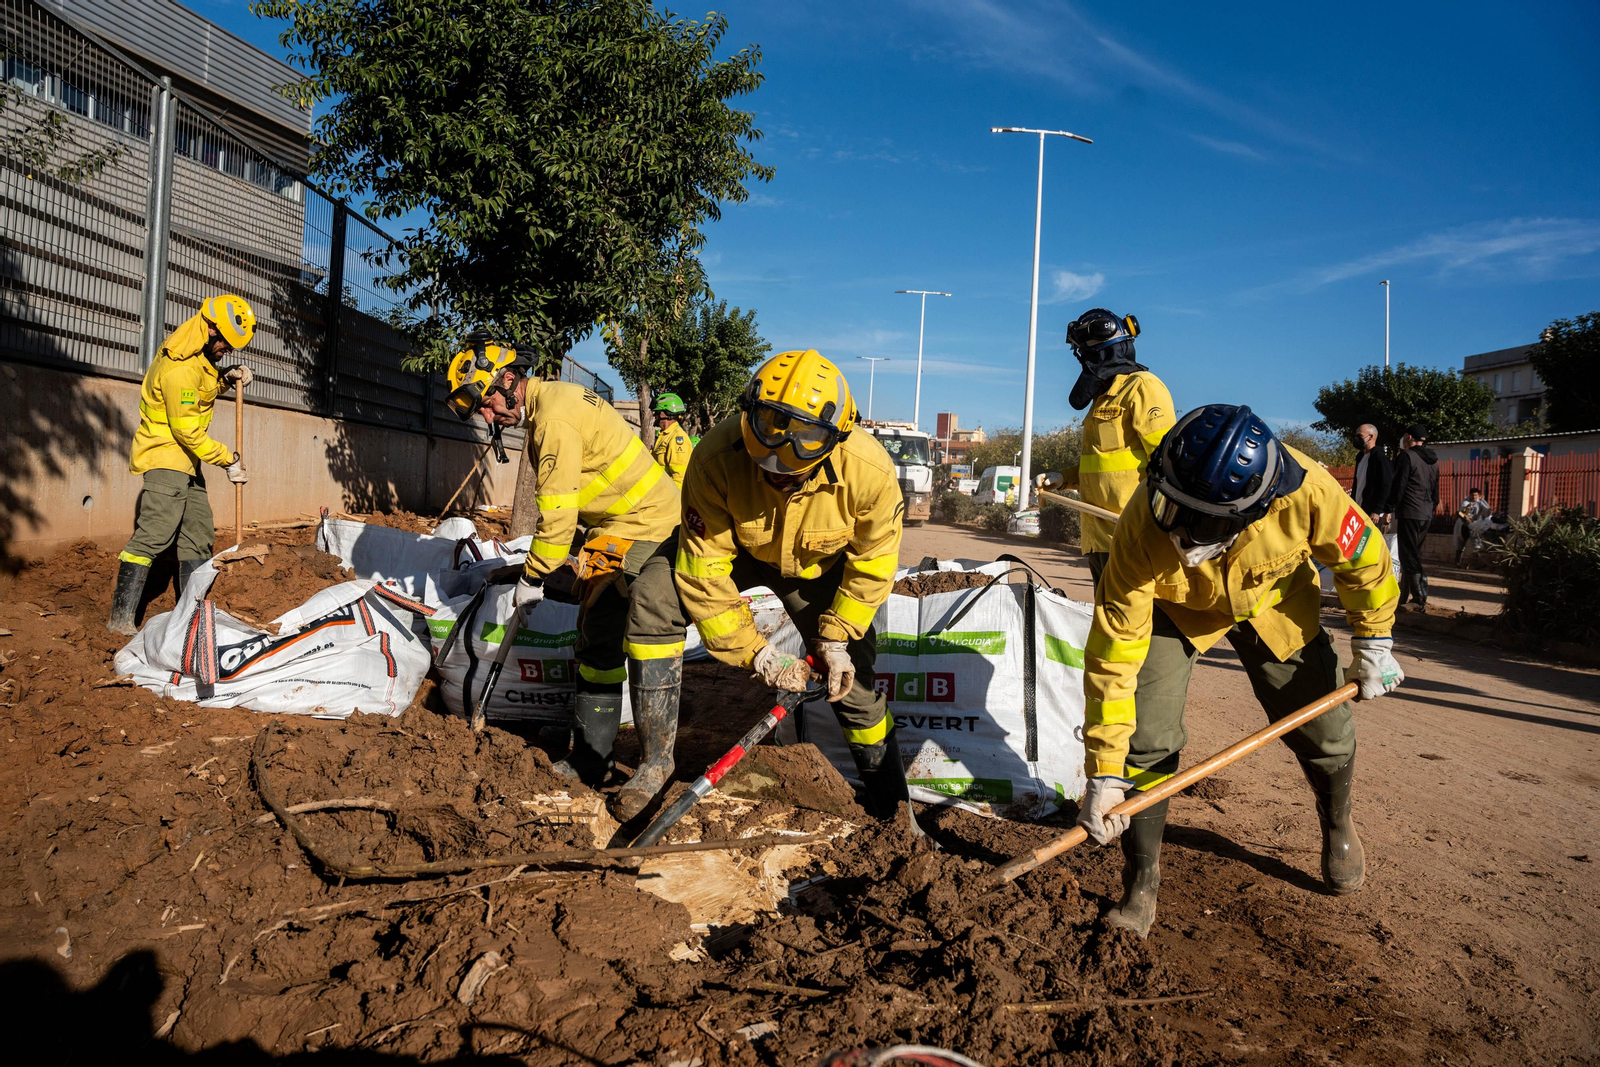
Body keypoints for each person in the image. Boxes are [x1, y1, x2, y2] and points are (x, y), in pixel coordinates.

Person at [1078, 404, 1403, 938]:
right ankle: (1142, 880)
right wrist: (1104, 773)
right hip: (1176, 608)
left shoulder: (1309, 491)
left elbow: (1365, 560)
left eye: (1199, 521)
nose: (1177, 529)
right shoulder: (1142, 527)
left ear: (1254, 509)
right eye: (1170, 506)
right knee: (1146, 735)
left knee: (1326, 732)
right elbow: (1114, 654)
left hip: (1274, 600)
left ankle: (1337, 822)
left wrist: (1374, 640)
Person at [446, 335, 689, 821]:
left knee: (647, 635)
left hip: (655, 529)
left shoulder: (553, 418)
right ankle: (591, 758)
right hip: (615, 533)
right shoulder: (546, 410)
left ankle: (657, 765)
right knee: (596, 638)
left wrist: (534, 575)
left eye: (488, 403)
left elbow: (556, 518)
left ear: (510, 380)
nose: (489, 417)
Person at [674, 350, 919, 832]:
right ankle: (654, 765)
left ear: (834, 439)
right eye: (766, 462)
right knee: (652, 598)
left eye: (795, 464)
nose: (778, 472)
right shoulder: (715, 457)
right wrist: (756, 654)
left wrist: (836, 639)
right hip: (740, 553)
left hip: (820, 570)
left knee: (857, 689)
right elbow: (703, 568)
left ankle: (894, 811)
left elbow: (872, 564)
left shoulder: (868, 471)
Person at [108, 295, 255, 635]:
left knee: (199, 535)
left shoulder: (195, 356)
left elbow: (200, 389)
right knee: (154, 536)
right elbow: (187, 429)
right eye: (227, 345)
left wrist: (224, 377)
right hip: (166, 458)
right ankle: (120, 622)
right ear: (210, 330)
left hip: (186, 464)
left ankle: (189, 620)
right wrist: (227, 459)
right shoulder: (180, 367)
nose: (228, 351)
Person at [1037, 308, 1175, 585]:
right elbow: (1102, 463)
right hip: (1098, 537)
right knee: (1108, 621)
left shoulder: (1142, 388)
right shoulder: (1102, 398)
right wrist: (1063, 477)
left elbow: (1169, 465)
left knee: (1137, 624)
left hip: (1133, 536)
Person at [1387, 424, 1439, 609]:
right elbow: (1436, 494)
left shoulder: (1407, 457)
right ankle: (1403, 597)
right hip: (1425, 513)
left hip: (1410, 511)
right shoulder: (1432, 462)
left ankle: (1418, 600)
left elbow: (1399, 486)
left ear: (1409, 437)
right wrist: (1429, 509)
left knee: (1408, 555)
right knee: (1413, 554)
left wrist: (1389, 507)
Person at [649, 392, 696, 486]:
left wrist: (672, 499)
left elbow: (680, 477)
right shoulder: (664, 436)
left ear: (667, 414)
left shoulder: (677, 438)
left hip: (668, 496)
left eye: (657, 413)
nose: (655, 416)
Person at [1351, 423, 1393, 522]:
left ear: (1370, 437)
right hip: (1358, 509)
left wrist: (1377, 510)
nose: (1357, 439)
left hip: (1372, 514)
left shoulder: (1380, 458)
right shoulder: (1360, 457)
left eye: (1360, 436)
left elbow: (1386, 485)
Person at [1453, 487, 1492, 563]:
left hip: (1474, 526)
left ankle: (1476, 562)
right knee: (1460, 544)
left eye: (1475, 495)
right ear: (1469, 495)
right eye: (1472, 495)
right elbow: (1463, 511)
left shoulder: (1481, 502)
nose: (1473, 497)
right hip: (1463, 526)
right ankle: (1457, 561)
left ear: (1478, 496)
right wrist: (1466, 518)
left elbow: (1487, 510)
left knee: (1476, 544)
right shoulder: (1466, 502)